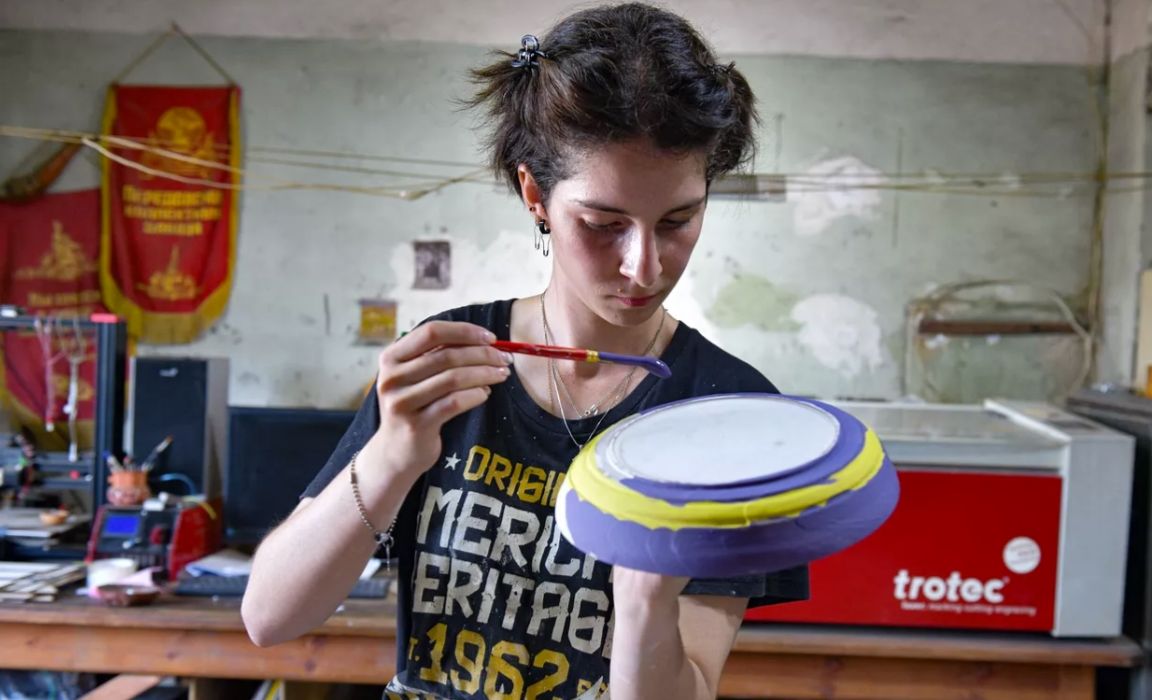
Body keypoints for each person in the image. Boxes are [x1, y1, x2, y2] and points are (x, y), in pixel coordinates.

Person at [242, 4, 808, 699]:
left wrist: (643, 589)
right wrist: (393, 453)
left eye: (678, 221)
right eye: (603, 224)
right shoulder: (447, 364)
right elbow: (270, 617)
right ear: (535, 193)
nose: (644, 266)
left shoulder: (726, 413)